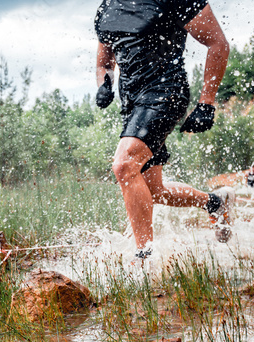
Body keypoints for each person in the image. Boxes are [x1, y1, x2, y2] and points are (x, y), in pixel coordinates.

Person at [94, 0, 234, 260]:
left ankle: (145, 258)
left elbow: (217, 43)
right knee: (154, 190)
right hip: (132, 104)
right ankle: (214, 202)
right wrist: (104, 84)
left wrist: (207, 103)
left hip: (166, 92)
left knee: (125, 165)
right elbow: (105, 62)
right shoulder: (107, 8)